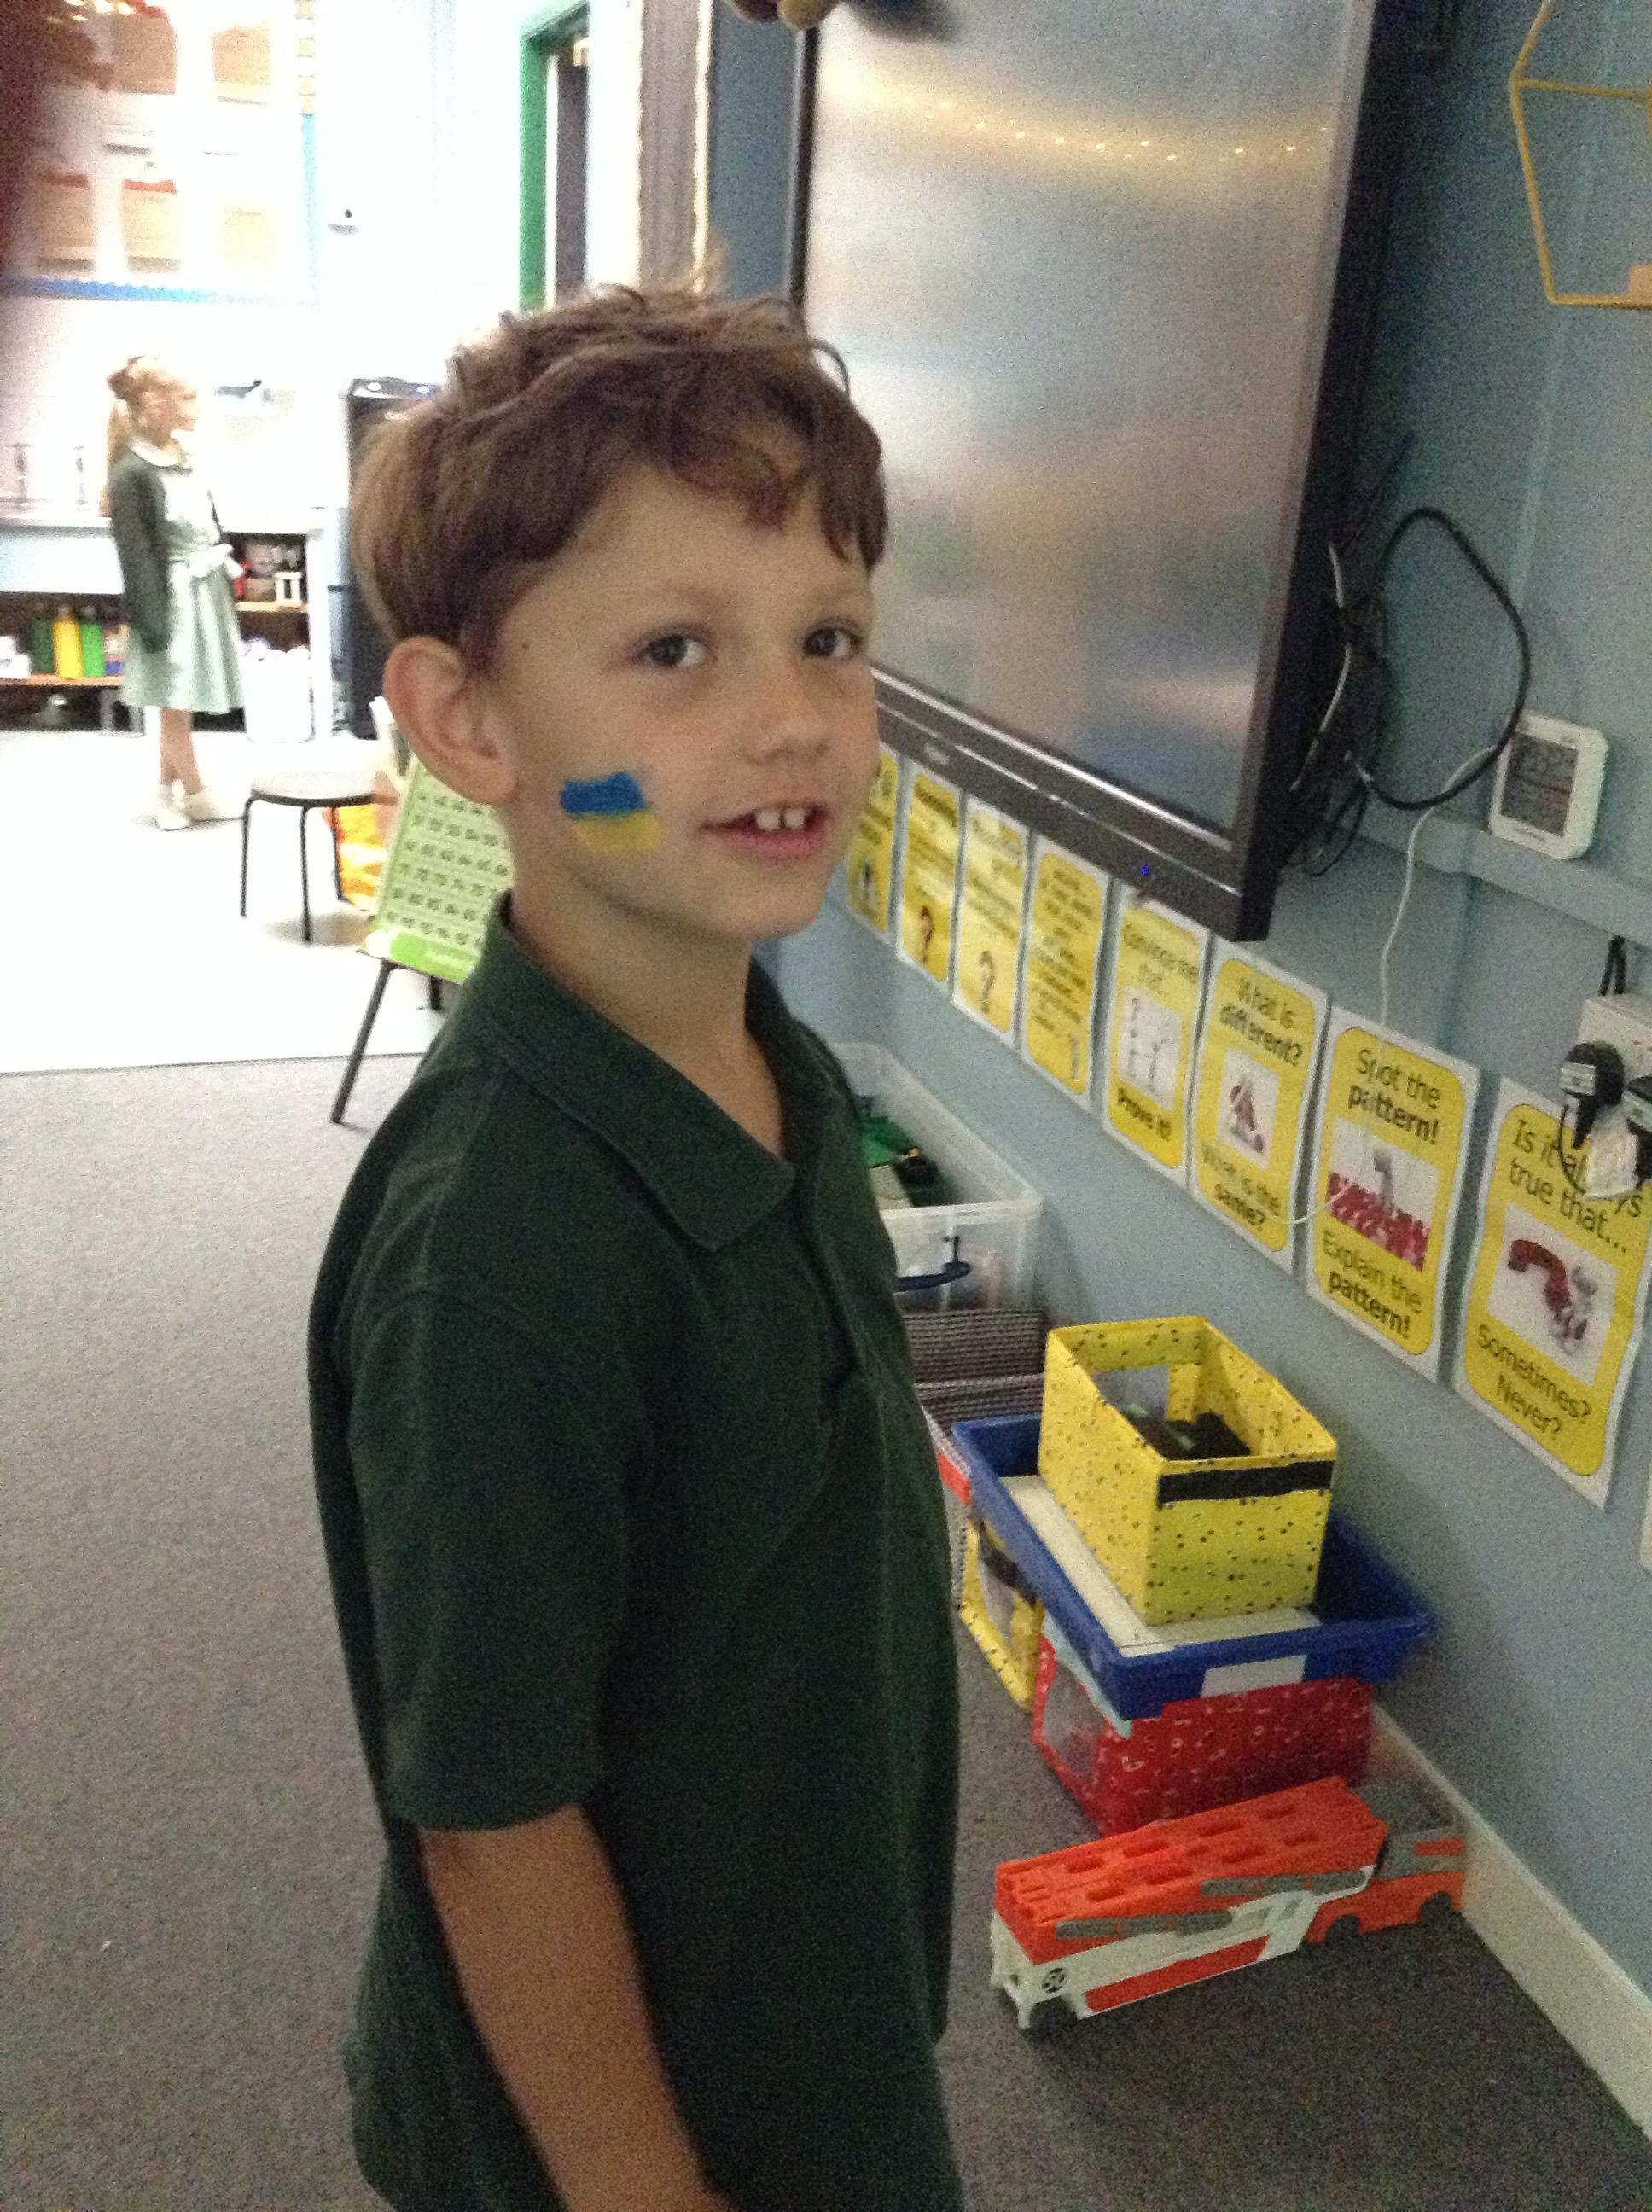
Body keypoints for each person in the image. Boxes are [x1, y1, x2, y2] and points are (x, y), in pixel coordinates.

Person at [308, 288, 962, 2212]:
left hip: (797, 1978)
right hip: (618, 2125)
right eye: (674, 650)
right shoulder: (498, 1260)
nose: (792, 718)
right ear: (470, 723)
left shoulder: (771, 1055)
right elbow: (492, 1821)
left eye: (829, 637)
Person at [104, 355, 244, 829]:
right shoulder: (132, 473)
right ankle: (198, 794)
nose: (196, 406)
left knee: (178, 702)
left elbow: (206, 519)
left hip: (202, 593)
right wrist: (152, 624)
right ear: (155, 404)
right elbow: (136, 556)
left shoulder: (185, 456)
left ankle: (166, 794)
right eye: (187, 397)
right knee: (174, 702)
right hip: (170, 601)